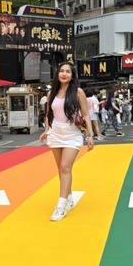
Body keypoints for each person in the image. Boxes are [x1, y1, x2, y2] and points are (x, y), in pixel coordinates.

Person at [38, 62, 94, 221]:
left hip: (72, 135)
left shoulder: (78, 92)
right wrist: (46, 130)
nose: (64, 74)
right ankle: (68, 198)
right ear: (57, 74)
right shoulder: (52, 93)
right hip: (55, 134)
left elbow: (86, 114)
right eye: (61, 71)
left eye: (68, 71)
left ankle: (61, 206)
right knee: (61, 170)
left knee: (65, 167)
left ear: (72, 75)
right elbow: (49, 113)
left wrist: (90, 135)